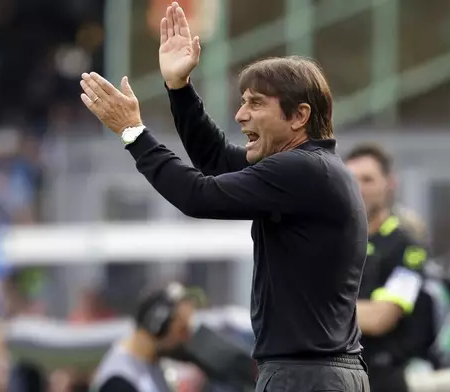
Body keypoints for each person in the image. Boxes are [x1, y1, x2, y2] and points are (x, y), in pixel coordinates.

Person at [79, 2, 369, 391]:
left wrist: (133, 133)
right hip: (316, 373)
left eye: (256, 103)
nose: (240, 115)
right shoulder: (309, 171)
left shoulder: (303, 170)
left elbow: (199, 195)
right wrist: (179, 89)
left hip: (306, 377)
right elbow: (215, 160)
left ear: (299, 116)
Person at [344, 143, 450, 392]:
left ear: (389, 183)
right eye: (351, 179)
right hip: (332, 366)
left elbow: (380, 317)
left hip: (387, 374)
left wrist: (317, 311)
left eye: (368, 179)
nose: (359, 188)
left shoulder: (407, 248)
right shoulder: (332, 240)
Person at [90, 282, 197, 392]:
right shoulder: (119, 381)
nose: (187, 338)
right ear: (157, 326)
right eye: (181, 330)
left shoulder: (153, 365)